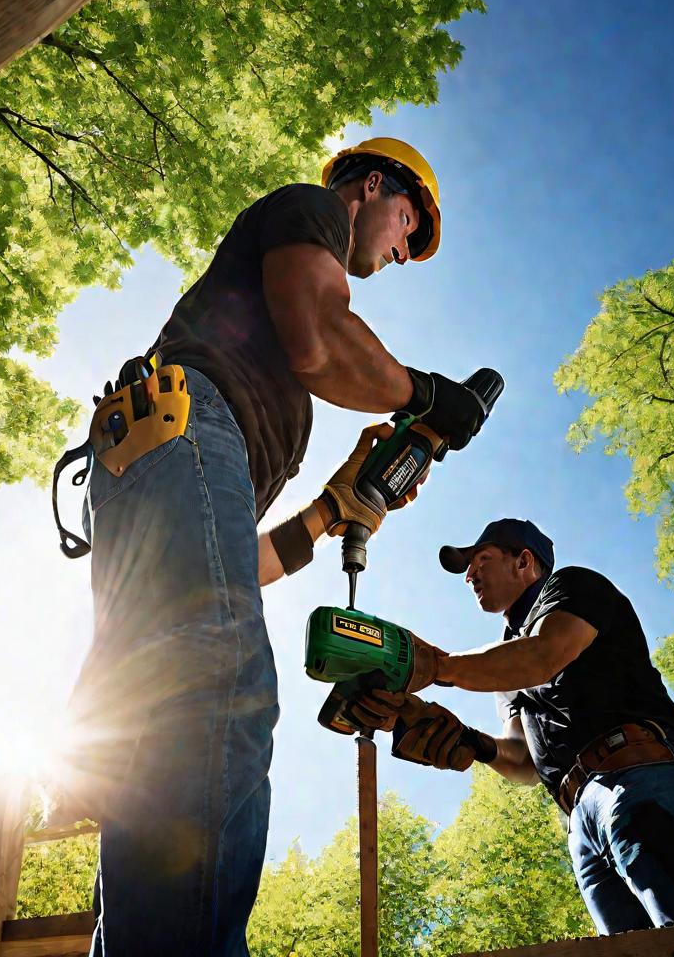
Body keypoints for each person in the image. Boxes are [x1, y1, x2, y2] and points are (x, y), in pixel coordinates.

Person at [65, 139, 489, 956]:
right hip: (179, 429)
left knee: (168, 727)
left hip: (161, 452)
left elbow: (243, 568)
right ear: (371, 187)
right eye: (407, 225)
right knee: (222, 686)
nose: (401, 252)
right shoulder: (314, 207)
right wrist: (432, 396)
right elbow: (321, 342)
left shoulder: (250, 389)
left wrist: (334, 508)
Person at [347, 518, 674, 934]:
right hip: (579, 819)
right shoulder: (504, 663)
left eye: (481, 559)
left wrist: (438, 667)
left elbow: (546, 653)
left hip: (639, 777)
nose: (469, 574)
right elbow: (523, 760)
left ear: (524, 561)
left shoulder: (573, 588)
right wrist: (472, 743)